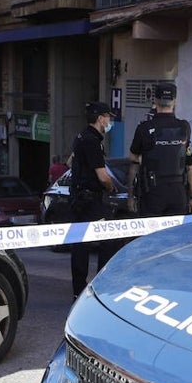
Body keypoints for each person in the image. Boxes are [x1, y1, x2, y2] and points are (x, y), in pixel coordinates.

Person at [68, 101, 121, 299]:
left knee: (80, 245)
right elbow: (102, 176)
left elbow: (70, 161)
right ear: (100, 119)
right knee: (108, 240)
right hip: (90, 200)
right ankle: (100, 285)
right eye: (108, 118)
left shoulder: (82, 136)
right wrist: (111, 186)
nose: (109, 122)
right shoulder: (92, 140)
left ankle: (78, 289)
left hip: (80, 198)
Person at [126, 82, 192, 216]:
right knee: (176, 234)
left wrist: (130, 196)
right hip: (178, 193)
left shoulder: (144, 128)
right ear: (175, 101)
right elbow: (189, 166)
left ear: (155, 100)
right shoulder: (184, 127)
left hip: (152, 192)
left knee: (152, 235)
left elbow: (133, 161)